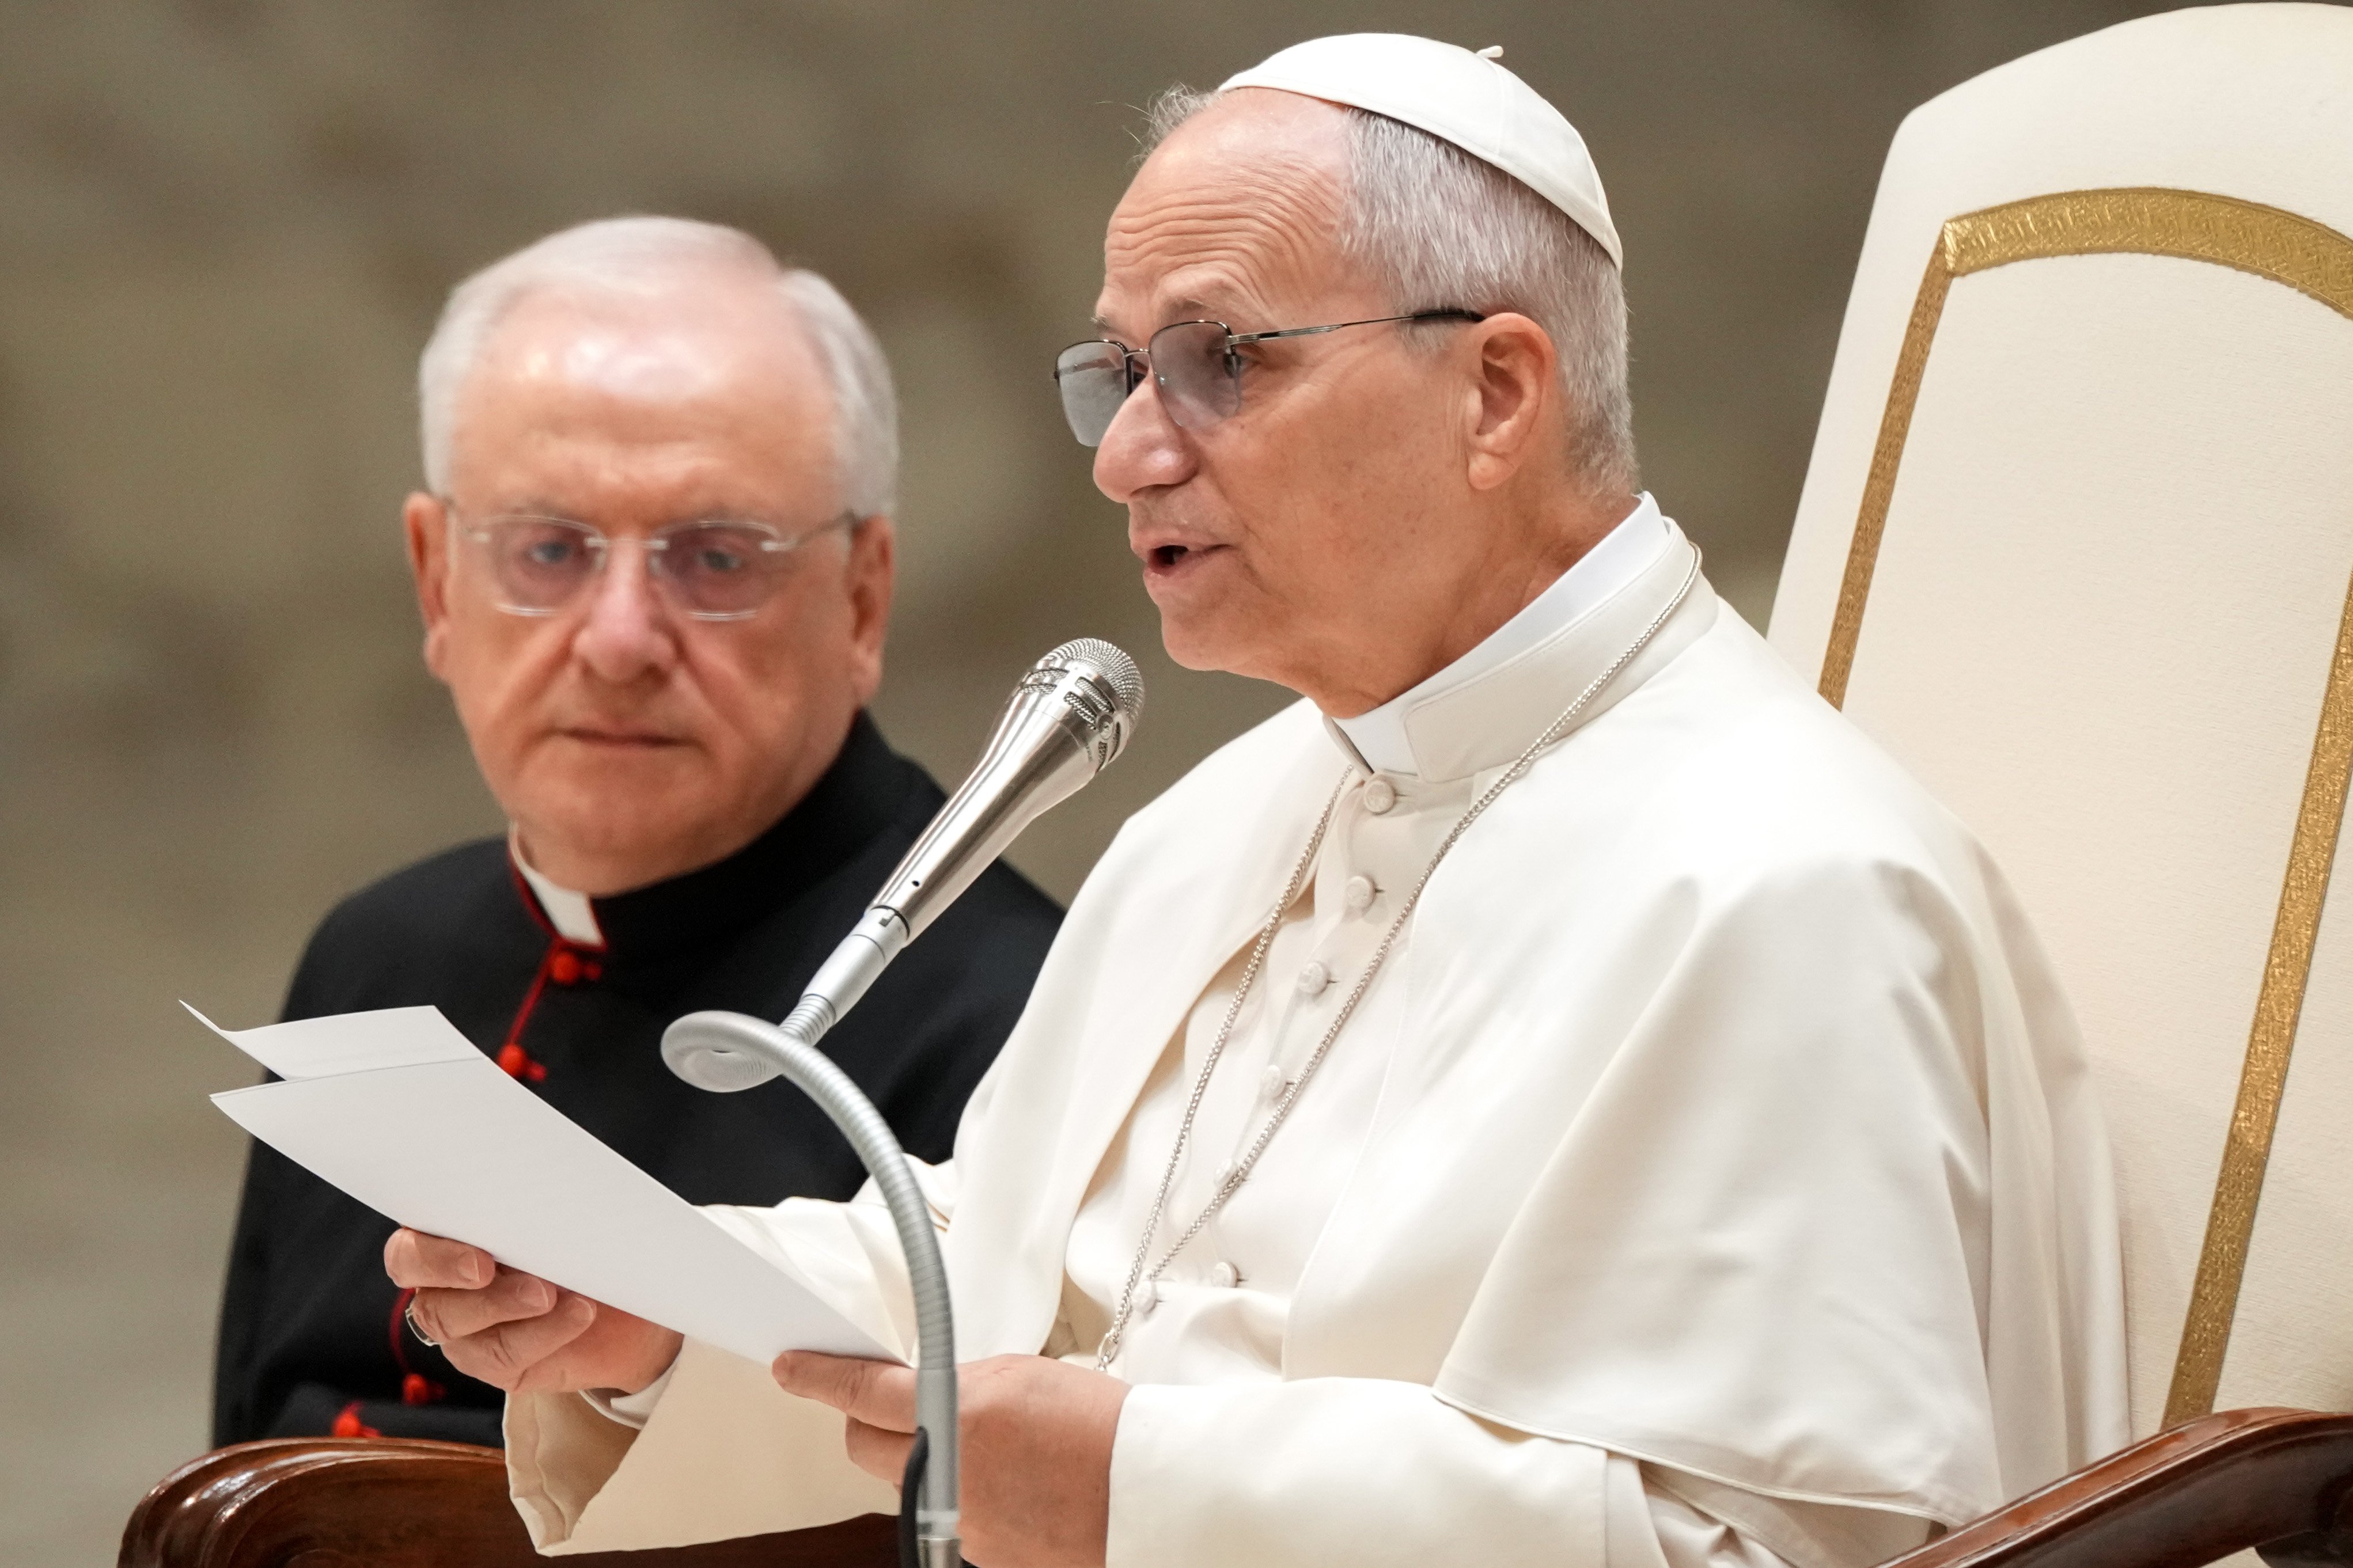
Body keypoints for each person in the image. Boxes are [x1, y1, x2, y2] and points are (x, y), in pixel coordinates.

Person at [391, 35, 2130, 1568]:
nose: (1126, 451)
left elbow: (1765, 1550)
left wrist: (1143, 1492)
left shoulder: (1780, 884)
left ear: (1496, 392)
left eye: (1221, 360)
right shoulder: (1218, 821)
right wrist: (662, 1314)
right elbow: (995, 1286)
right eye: (1120, 372)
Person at [213, 218, 1062, 1449]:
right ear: (437, 585)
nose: (618, 640)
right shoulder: (373, 954)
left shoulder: (1021, 1015)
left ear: (864, 597)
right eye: (548, 551)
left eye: (715, 558)